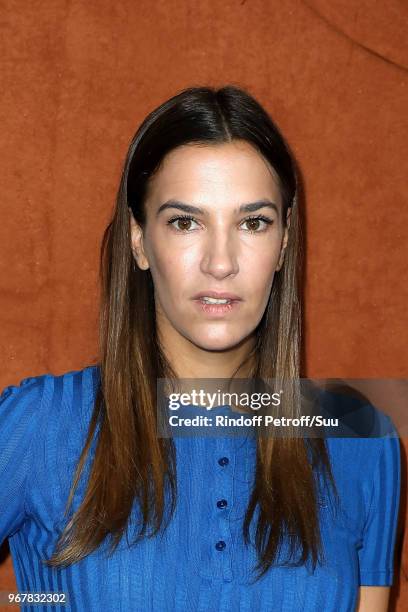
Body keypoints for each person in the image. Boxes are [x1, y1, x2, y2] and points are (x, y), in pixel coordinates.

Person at [0, 85, 401, 612]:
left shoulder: (360, 436)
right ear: (139, 241)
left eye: (252, 222)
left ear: (282, 244)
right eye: (184, 221)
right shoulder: (40, 425)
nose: (220, 261)